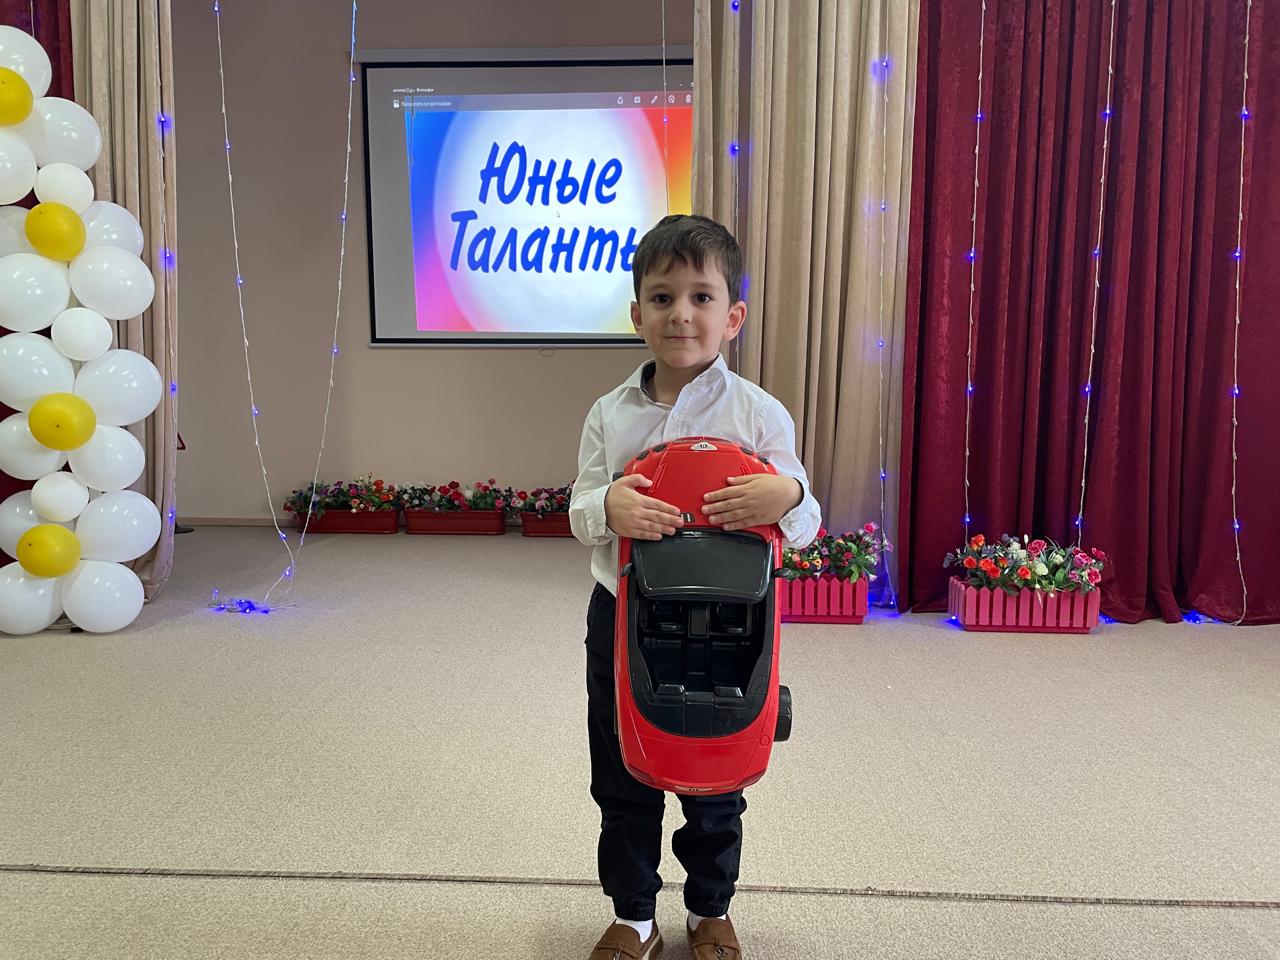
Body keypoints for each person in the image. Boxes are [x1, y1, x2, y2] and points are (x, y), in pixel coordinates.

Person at [569, 214, 822, 960]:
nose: (681, 313)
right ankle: (634, 916)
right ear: (637, 313)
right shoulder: (609, 414)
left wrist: (785, 495)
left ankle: (711, 908)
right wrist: (608, 507)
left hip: (730, 623)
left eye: (701, 297)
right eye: (662, 296)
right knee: (623, 768)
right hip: (625, 618)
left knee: (719, 772)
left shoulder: (758, 414)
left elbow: (805, 520)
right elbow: (580, 511)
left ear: (732, 316)